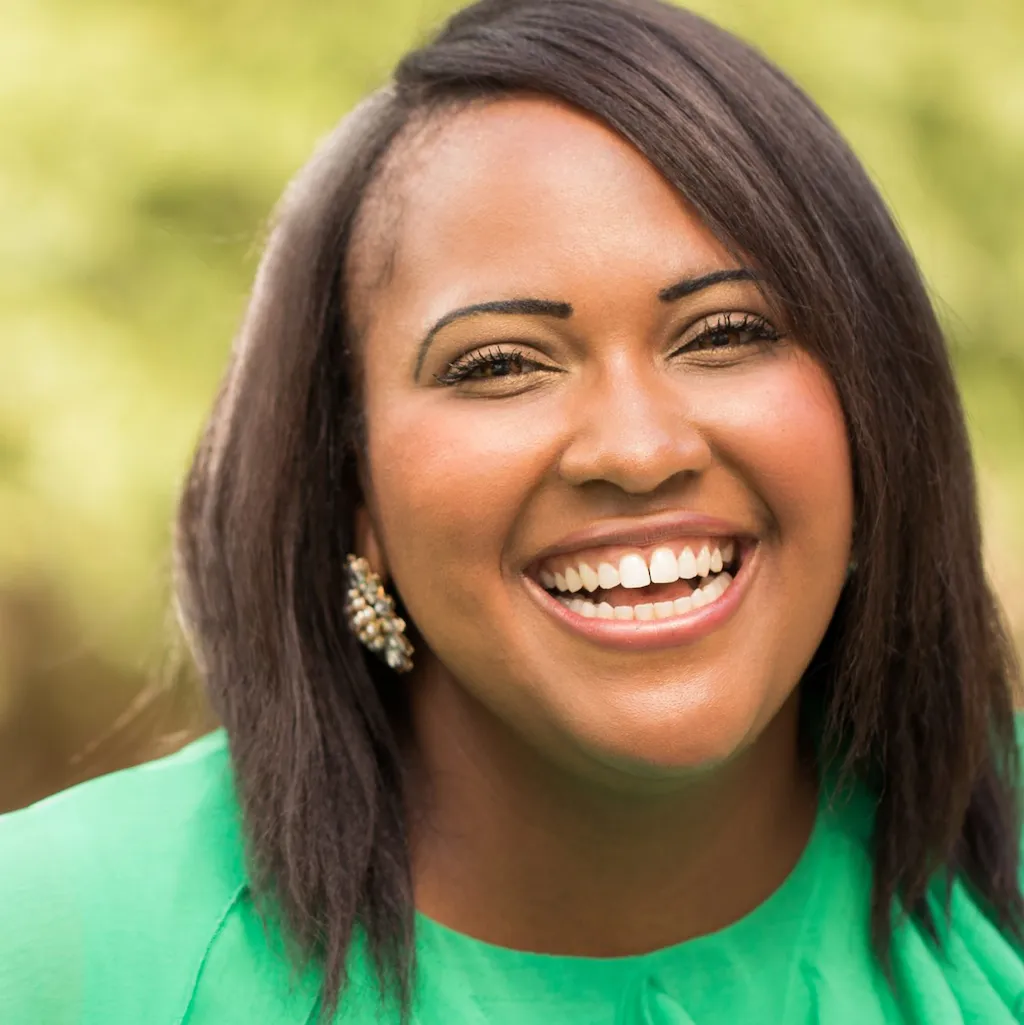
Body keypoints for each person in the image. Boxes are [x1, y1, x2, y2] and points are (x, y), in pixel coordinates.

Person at [3, 0, 1023, 1021]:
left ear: (871, 415)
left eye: (723, 331)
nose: (636, 448)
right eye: (497, 364)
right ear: (351, 488)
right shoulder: (60, 941)